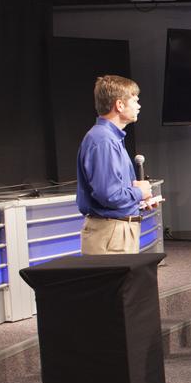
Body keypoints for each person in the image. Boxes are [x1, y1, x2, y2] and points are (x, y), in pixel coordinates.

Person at [76, 75, 153, 255]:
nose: (139, 106)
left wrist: (138, 200)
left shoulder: (110, 138)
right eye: (135, 101)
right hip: (110, 235)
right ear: (119, 105)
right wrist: (139, 192)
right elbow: (109, 195)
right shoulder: (103, 141)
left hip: (114, 233)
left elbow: (114, 191)